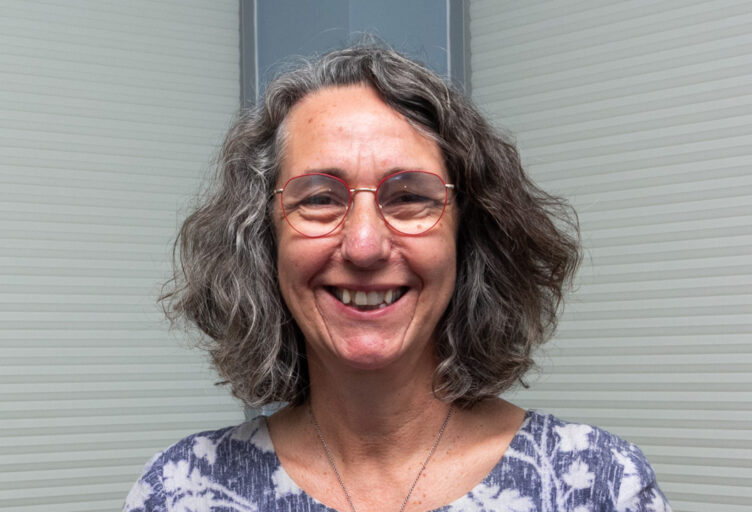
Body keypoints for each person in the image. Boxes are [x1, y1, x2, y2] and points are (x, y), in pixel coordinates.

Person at [124, 45, 672, 512]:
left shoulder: (597, 486)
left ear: (468, 235)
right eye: (319, 199)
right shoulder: (182, 492)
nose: (364, 245)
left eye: (409, 197)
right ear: (263, 239)